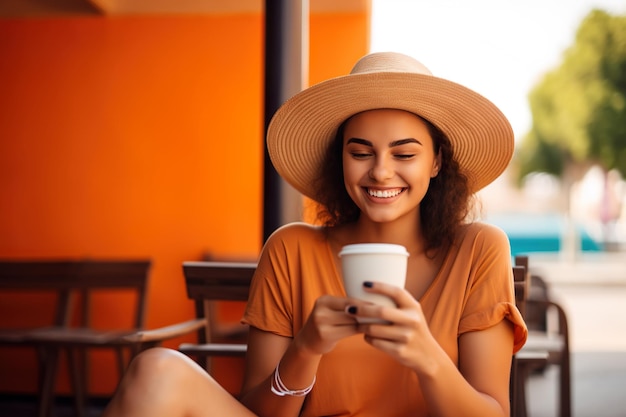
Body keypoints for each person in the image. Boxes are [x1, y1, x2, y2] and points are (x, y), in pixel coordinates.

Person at [102, 51, 527, 417]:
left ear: (436, 162)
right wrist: (305, 348)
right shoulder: (291, 249)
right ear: (339, 160)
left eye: (405, 153)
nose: (380, 170)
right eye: (360, 152)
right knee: (156, 367)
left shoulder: (478, 249)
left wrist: (427, 356)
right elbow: (259, 411)